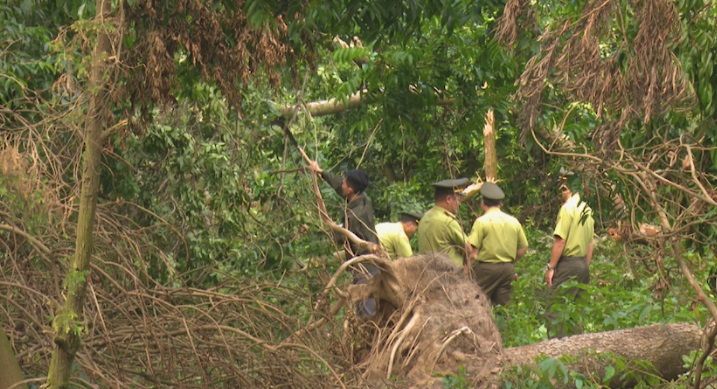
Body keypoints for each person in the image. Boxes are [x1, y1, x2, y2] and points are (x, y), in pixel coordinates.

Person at [308, 160, 379, 316]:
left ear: (351, 189)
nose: (342, 185)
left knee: (365, 307)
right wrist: (321, 172)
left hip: (364, 265)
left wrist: (330, 226)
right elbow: (339, 185)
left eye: (345, 183)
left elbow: (339, 238)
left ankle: (372, 336)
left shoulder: (354, 215)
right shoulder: (363, 198)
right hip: (371, 262)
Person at [545, 170, 595, 338]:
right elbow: (590, 244)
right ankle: (578, 352)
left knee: (556, 310)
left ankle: (556, 352)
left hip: (568, 263)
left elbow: (560, 241)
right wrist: (584, 266)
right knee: (576, 312)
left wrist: (551, 267)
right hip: (582, 264)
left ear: (566, 187)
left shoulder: (567, 209)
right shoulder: (586, 209)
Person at [467, 182, 528, 306]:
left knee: (475, 303)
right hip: (507, 269)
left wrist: (467, 268)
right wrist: (510, 260)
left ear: (483, 203)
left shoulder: (482, 222)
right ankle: (505, 326)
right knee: (504, 307)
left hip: (486, 269)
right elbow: (523, 247)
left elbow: (472, 249)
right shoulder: (513, 221)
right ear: (500, 204)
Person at [417, 178, 474, 270]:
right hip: (449, 276)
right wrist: (466, 270)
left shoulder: (425, 218)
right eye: (458, 200)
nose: (459, 204)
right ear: (448, 199)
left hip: (427, 274)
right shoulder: (448, 221)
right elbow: (469, 250)